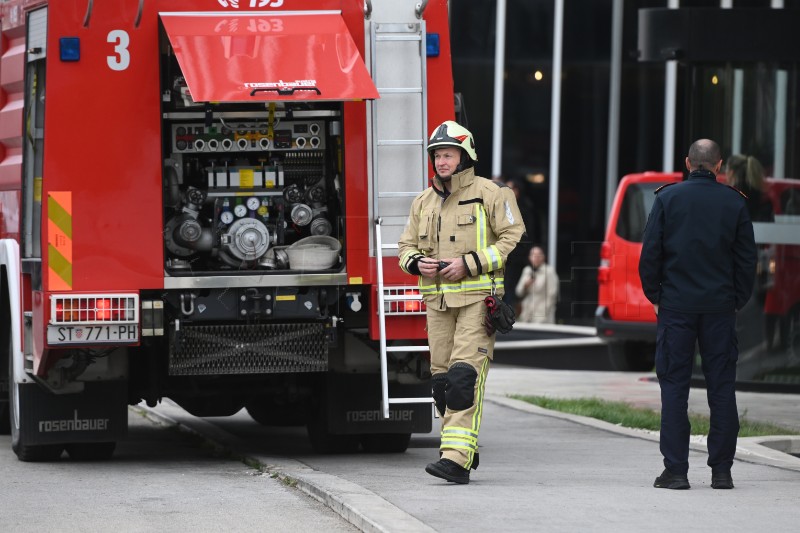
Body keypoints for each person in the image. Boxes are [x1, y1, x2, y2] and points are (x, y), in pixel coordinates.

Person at [398, 120, 524, 484]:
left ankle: (454, 460)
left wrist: (469, 263)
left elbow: (512, 236)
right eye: (437, 154)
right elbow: (406, 246)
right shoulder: (423, 201)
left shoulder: (493, 194)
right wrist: (414, 262)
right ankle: (464, 453)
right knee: (441, 385)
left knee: (462, 378)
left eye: (448, 154)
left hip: (478, 302)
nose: (441, 161)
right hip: (436, 304)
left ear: (465, 157)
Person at [639, 139, 757, 491]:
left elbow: (650, 255)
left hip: (676, 307)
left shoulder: (667, 198)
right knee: (722, 386)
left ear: (688, 163)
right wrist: (737, 299)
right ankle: (722, 471)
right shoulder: (735, 202)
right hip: (720, 308)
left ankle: (676, 471)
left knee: (674, 386)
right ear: (719, 165)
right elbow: (747, 260)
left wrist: (656, 296)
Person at [515, 246, 559, 323]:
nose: (536, 257)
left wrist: (544, 311)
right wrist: (526, 285)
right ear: (529, 257)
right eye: (533, 255)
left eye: (539, 255)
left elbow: (552, 294)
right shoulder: (527, 270)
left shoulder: (549, 271)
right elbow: (518, 292)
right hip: (527, 311)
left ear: (543, 257)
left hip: (542, 312)